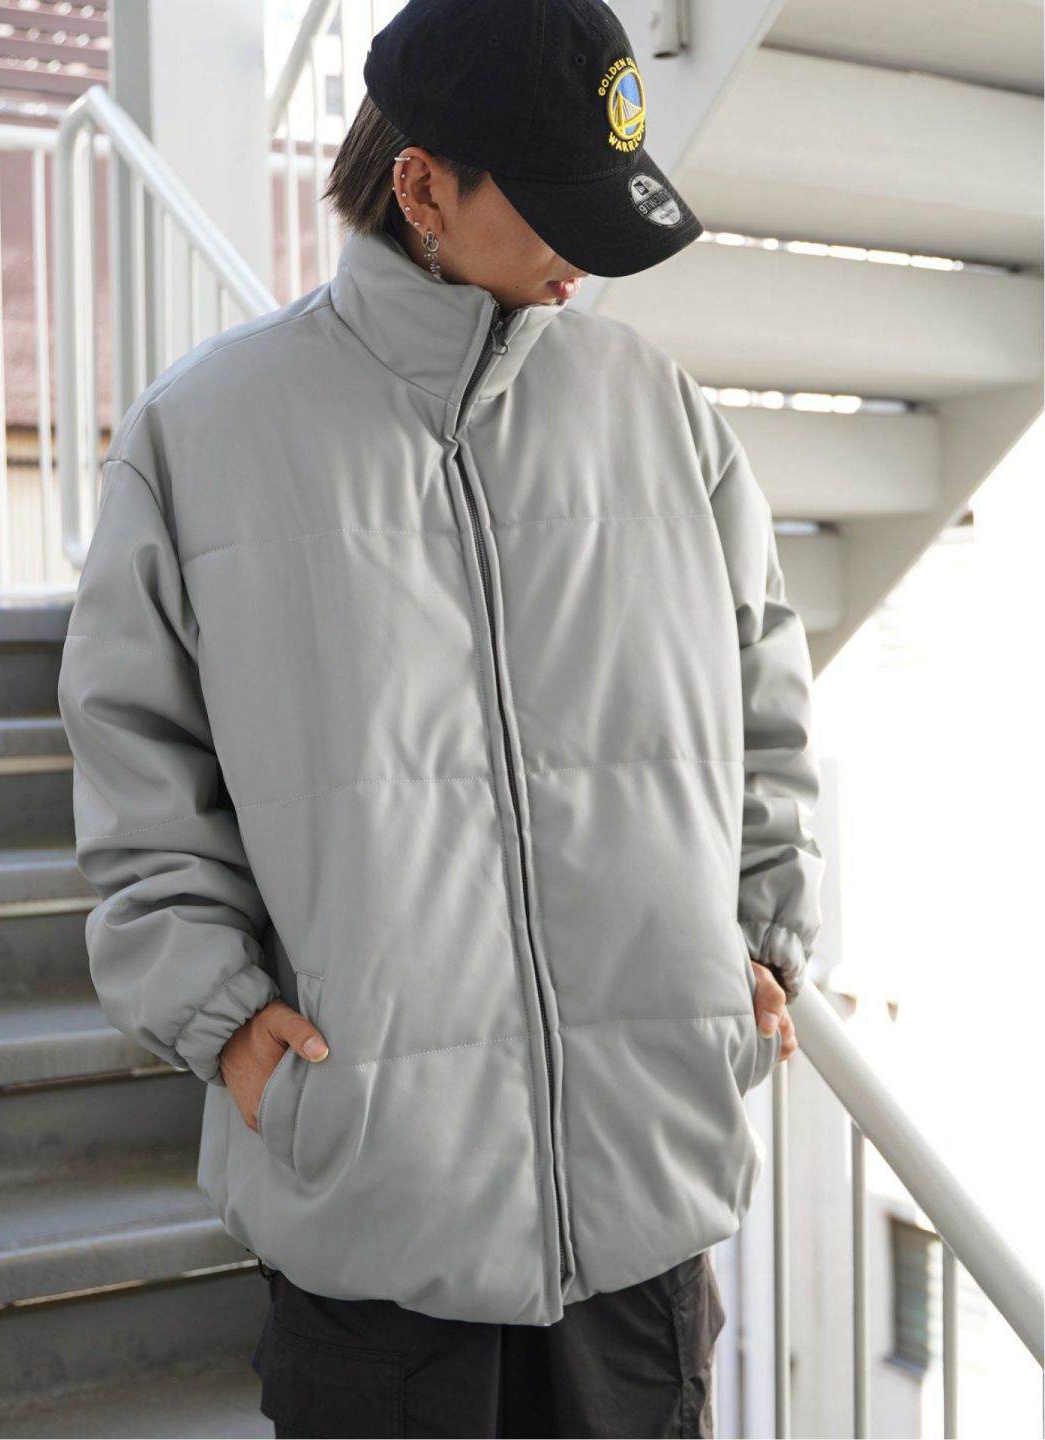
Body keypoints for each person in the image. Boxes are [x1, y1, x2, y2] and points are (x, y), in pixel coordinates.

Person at [56, 0, 825, 1434]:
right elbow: (134, 762)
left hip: (643, 1229)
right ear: (421, 188)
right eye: (555, 213)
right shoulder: (203, 437)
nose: (587, 260)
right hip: (380, 1237)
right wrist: (223, 1019)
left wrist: (763, 932)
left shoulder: (661, 413)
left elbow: (765, 696)